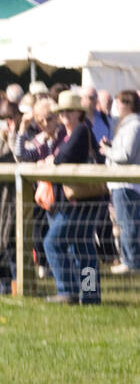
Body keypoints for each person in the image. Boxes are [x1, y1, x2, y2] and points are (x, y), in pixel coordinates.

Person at [40, 91, 107, 304]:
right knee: (83, 246)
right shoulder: (70, 132)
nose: (65, 115)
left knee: (53, 242)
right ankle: (90, 294)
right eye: (62, 112)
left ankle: (66, 290)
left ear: (79, 112)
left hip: (81, 202)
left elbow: (64, 157)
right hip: (85, 200)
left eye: (69, 111)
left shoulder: (80, 130)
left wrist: (52, 158)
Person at [101, 89, 140, 273]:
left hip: (126, 184)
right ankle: (129, 260)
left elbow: (126, 155)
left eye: (118, 103)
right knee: (125, 223)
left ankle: (131, 262)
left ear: (127, 104)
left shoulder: (134, 126)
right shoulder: (128, 126)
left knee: (128, 223)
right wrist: (111, 146)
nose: (116, 108)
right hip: (122, 184)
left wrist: (107, 151)